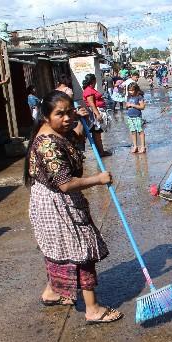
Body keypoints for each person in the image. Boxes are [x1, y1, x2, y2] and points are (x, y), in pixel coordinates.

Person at [25, 90, 123, 324]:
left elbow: (76, 137)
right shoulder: (47, 145)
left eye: (69, 112)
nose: (67, 118)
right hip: (56, 204)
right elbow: (66, 184)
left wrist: (82, 118)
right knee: (81, 252)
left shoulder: (57, 132)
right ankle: (93, 309)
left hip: (53, 200)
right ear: (46, 117)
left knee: (61, 250)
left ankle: (52, 293)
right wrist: (99, 179)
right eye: (60, 114)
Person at [82, 73, 111, 156]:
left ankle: (101, 151)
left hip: (97, 111)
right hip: (95, 113)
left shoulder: (90, 89)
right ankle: (100, 152)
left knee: (97, 134)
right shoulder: (89, 90)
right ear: (93, 81)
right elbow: (91, 103)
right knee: (97, 133)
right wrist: (98, 114)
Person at [125, 83, 146, 153]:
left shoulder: (139, 97)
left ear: (136, 90)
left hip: (137, 117)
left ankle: (143, 146)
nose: (130, 92)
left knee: (140, 131)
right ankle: (135, 146)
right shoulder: (128, 97)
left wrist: (133, 105)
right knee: (133, 131)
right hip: (130, 117)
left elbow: (142, 107)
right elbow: (127, 105)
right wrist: (127, 106)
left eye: (132, 90)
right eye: (129, 90)